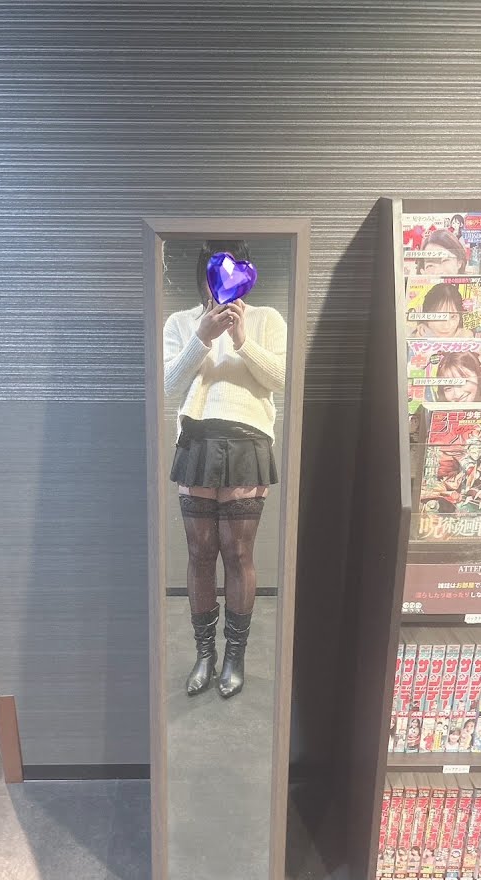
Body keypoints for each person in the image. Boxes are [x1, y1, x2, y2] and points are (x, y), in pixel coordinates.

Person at [163, 239, 286, 699]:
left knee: (238, 555)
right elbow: (169, 383)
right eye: (214, 274)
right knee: (199, 553)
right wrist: (202, 336)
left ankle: (234, 655)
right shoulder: (180, 323)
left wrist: (241, 340)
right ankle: (204, 654)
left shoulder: (267, 319)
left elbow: (279, 379)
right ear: (203, 276)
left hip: (248, 440)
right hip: (196, 439)